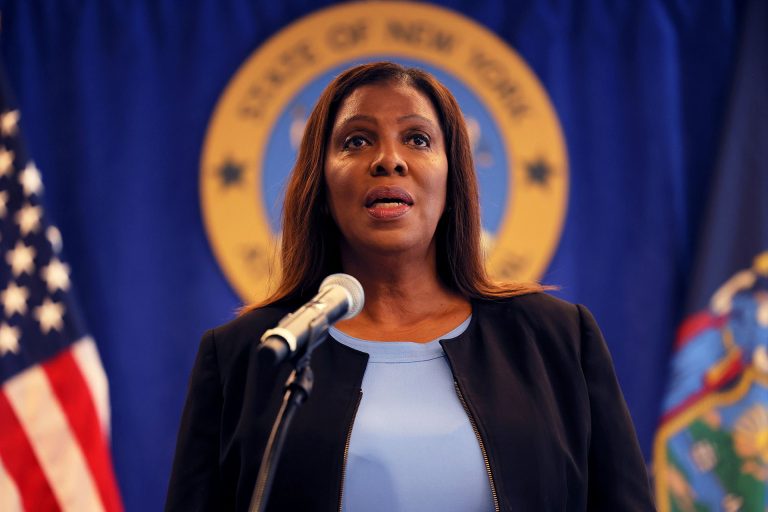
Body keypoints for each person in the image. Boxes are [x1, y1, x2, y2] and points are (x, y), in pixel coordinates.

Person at [166, 62, 655, 511]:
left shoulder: (556, 339)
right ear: (320, 185)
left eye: (417, 139)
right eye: (356, 141)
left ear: (452, 181)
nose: (389, 160)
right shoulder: (250, 355)